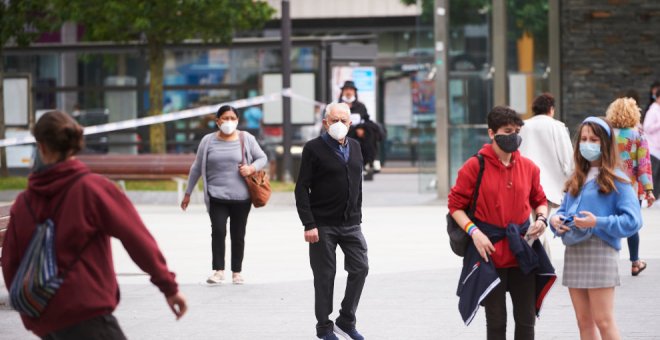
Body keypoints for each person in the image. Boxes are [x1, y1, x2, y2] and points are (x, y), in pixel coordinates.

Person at [1, 111, 187, 339]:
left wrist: (32, 311)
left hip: (46, 321)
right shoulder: (93, 189)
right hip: (88, 313)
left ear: (41, 147)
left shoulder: (23, 203)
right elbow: (137, 239)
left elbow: (10, 262)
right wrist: (169, 287)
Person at [449, 106, 554, 339]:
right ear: (491, 133)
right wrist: (474, 232)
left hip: (522, 251)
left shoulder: (529, 167)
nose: (514, 136)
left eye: (517, 131)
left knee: (526, 320)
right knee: (496, 322)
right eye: (507, 131)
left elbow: (540, 199)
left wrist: (542, 219)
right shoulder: (474, 166)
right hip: (489, 252)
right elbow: (455, 206)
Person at [550, 116, 642, 340]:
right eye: (583, 139)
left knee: (603, 320)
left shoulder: (617, 178)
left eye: (593, 139)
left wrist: (597, 222)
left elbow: (633, 221)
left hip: (601, 252)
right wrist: (555, 220)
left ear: (605, 143)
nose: (587, 144)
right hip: (574, 251)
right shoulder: (577, 177)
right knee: (584, 323)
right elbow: (564, 209)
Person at [295, 102, 369, 340]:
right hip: (322, 225)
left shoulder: (356, 147)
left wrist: (357, 214)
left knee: (361, 268)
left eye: (344, 120)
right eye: (334, 120)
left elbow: (357, 184)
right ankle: (324, 328)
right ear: (325, 122)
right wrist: (308, 224)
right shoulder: (313, 148)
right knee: (325, 276)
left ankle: (346, 320)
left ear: (350, 122)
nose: (339, 124)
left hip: (351, 224)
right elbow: (301, 188)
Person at [181, 105, 267, 285]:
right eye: (225, 118)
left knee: (238, 234)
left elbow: (262, 158)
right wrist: (188, 193)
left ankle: (237, 272)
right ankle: (218, 271)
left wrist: (251, 168)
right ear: (217, 121)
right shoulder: (207, 141)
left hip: (242, 197)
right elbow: (196, 167)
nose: (229, 122)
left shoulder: (246, 138)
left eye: (232, 118)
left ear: (237, 120)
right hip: (216, 195)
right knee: (218, 231)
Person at [519, 93, 574, 257]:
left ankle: (540, 263)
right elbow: (567, 158)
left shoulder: (523, 126)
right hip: (547, 186)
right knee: (539, 224)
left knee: (532, 224)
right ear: (551, 109)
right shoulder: (557, 126)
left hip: (524, 182)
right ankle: (540, 263)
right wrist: (570, 180)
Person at [606, 97, 655, 276]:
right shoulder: (638, 135)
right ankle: (635, 262)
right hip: (630, 187)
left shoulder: (607, 133)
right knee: (631, 222)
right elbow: (643, 165)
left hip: (608, 183)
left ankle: (609, 261)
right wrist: (648, 189)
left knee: (610, 221)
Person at [643, 84, 660, 198]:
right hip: (652, 147)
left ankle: (656, 196)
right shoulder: (652, 110)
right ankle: (649, 196)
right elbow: (647, 127)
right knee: (652, 173)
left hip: (658, 148)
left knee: (658, 174)